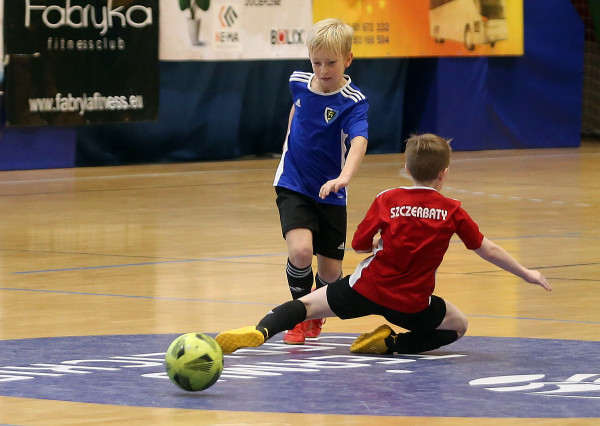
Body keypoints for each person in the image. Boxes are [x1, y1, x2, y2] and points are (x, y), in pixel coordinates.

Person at [216, 133, 552, 355]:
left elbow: (359, 244)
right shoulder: (452, 211)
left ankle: (261, 330)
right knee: (458, 325)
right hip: (411, 304)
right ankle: (391, 343)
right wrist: (527, 273)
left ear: (407, 168)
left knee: (305, 305)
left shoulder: (388, 198)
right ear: (444, 174)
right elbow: (487, 249)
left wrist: (376, 241)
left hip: (365, 289)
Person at [272, 18, 369, 344]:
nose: (323, 70)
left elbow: (359, 141)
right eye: (316, 63)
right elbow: (297, 110)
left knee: (330, 274)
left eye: (331, 63)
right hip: (293, 183)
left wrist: (344, 177)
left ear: (348, 59)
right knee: (301, 251)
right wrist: (288, 142)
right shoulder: (298, 82)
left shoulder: (353, 101)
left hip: (331, 193)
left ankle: (317, 307)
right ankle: (298, 316)